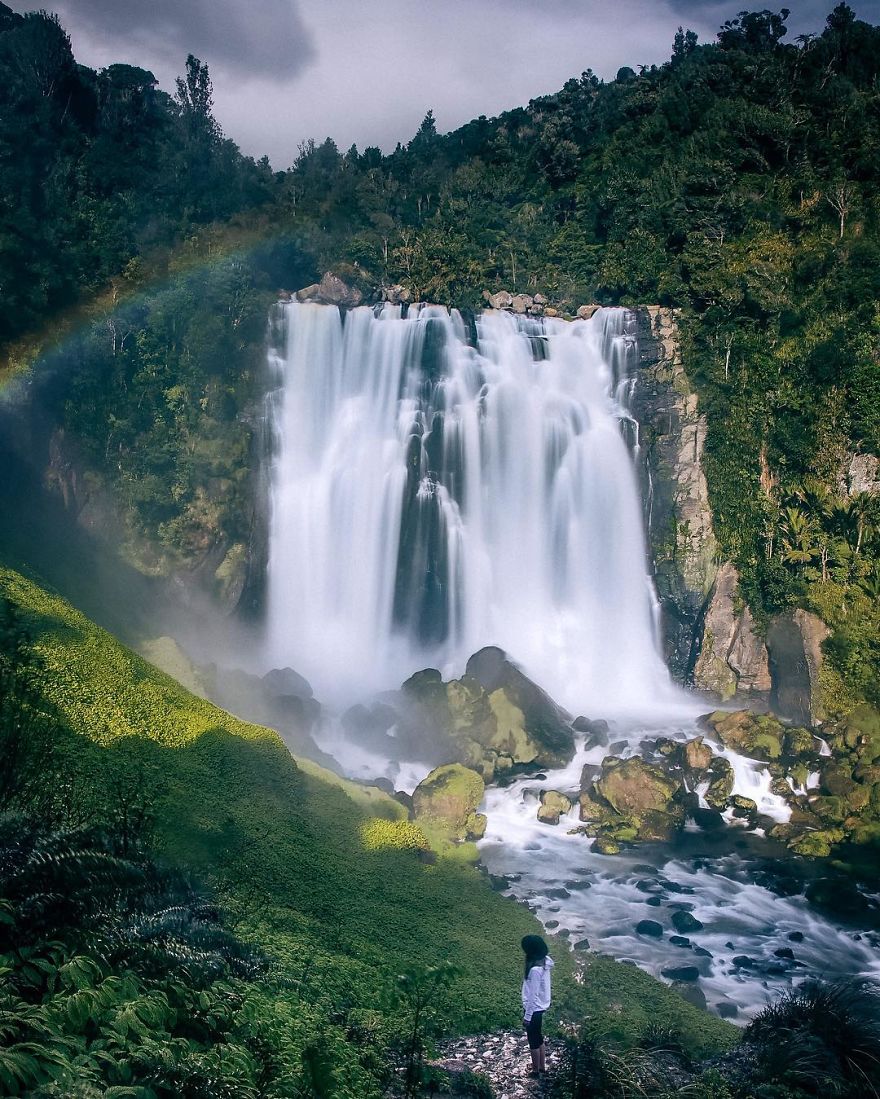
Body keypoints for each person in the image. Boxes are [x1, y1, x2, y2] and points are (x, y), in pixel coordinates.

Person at [521, 934, 554, 1075]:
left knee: (533, 1040)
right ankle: (542, 1067)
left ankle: (535, 1070)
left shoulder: (535, 970)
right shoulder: (546, 962)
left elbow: (532, 996)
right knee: (538, 1037)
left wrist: (527, 1016)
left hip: (534, 1009)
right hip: (541, 1007)